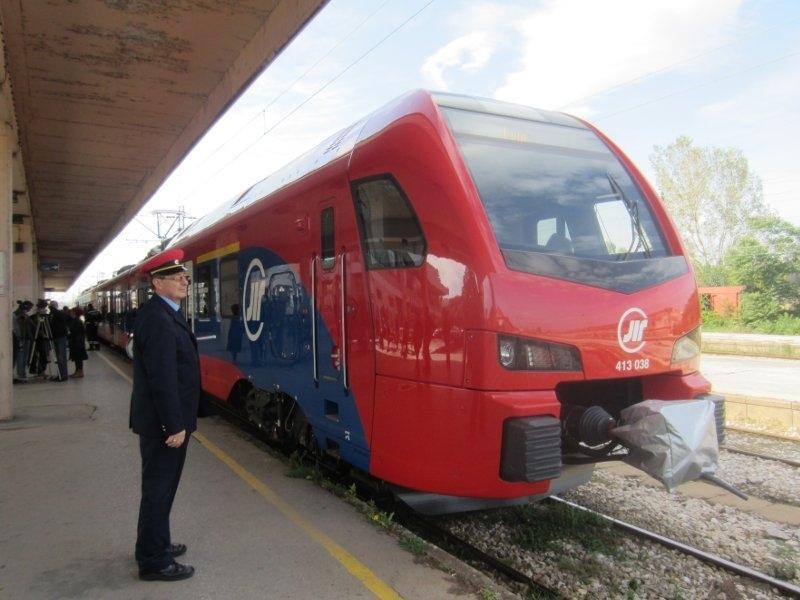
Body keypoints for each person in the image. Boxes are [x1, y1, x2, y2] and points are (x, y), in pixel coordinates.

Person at [129, 248, 199, 582]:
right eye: (177, 276)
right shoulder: (158, 318)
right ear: (158, 283)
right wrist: (174, 424)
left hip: (166, 421)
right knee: (158, 489)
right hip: (164, 425)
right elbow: (162, 377)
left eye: (185, 275)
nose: (185, 280)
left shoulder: (164, 312)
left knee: (162, 488)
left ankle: (155, 544)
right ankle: (154, 562)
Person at [48, 300, 70, 382]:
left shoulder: (60, 313)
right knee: (58, 357)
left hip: (61, 337)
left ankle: (64, 375)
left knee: (62, 356)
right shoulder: (51, 314)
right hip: (55, 337)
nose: (51, 307)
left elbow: (59, 315)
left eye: (53, 306)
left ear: (56, 306)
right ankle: (60, 374)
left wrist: (51, 308)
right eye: (51, 305)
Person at [68, 307, 89, 378]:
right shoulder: (77, 320)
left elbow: (75, 331)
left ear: (75, 313)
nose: (71, 313)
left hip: (77, 342)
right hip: (77, 341)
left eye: (72, 312)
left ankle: (80, 372)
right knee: (77, 358)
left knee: (78, 358)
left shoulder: (77, 321)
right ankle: (77, 371)